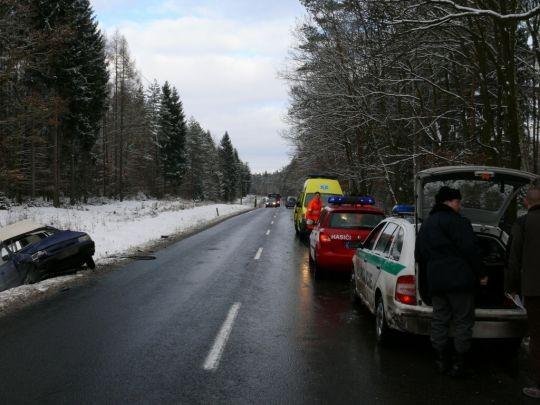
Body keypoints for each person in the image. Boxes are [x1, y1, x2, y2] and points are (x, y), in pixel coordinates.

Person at [416, 186, 486, 377]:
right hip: (460, 281)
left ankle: (440, 360)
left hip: (436, 282)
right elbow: (471, 250)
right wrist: (481, 274)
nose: (460, 205)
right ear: (449, 201)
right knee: (463, 321)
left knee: (440, 319)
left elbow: (419, 255)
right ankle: (459, 364)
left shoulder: (427, 224)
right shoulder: (458, 222)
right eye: (458, 201)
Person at [506, 186, 540, 399]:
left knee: (538, 336)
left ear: (527, 202)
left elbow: (514, 258)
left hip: (535, 290)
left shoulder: (524, 223)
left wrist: (510, 288)